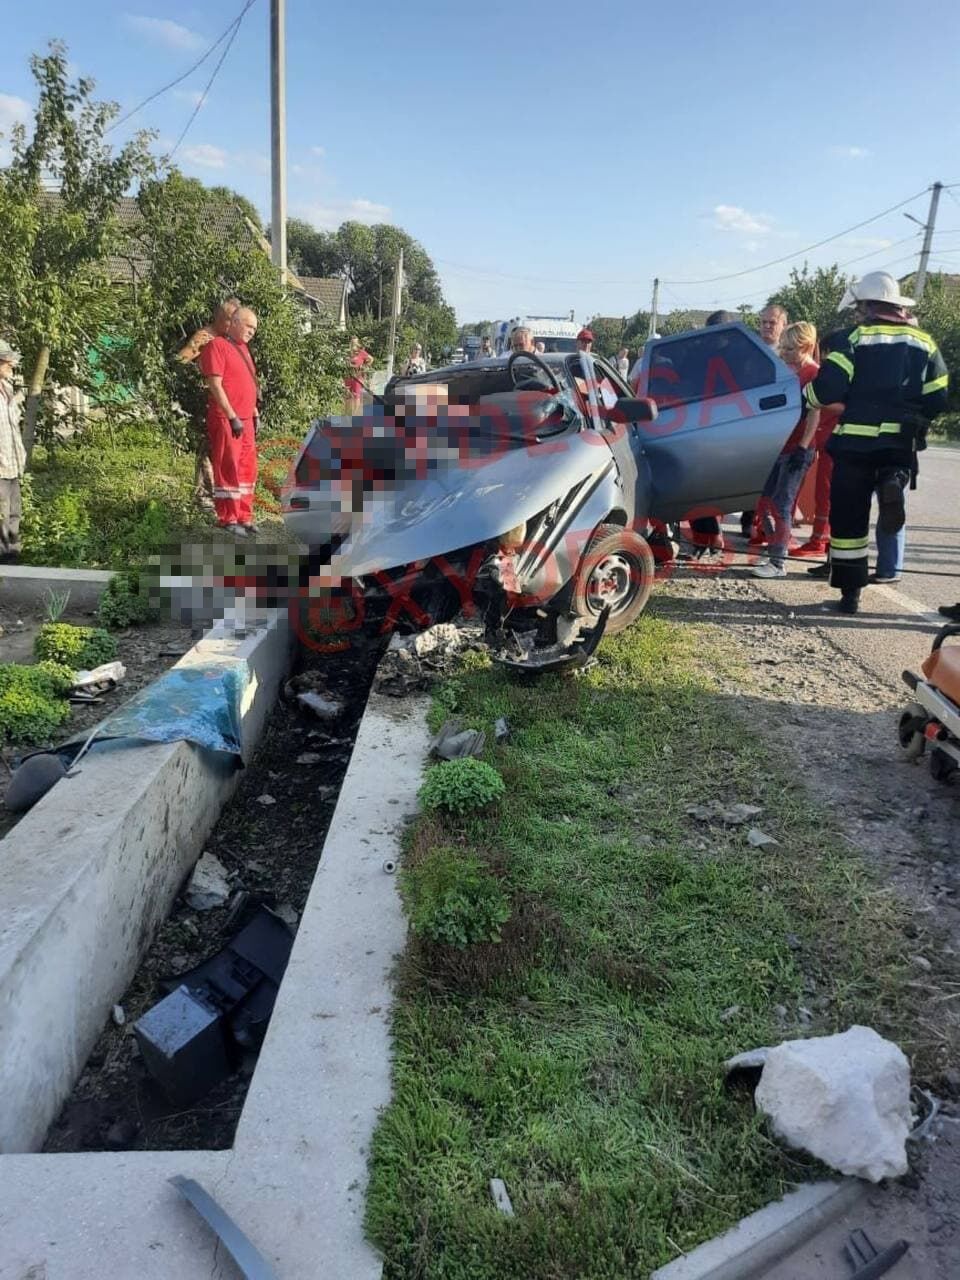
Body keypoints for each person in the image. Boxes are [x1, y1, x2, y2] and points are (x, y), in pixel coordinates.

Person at [804, 271, 948, 615]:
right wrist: (915, 416)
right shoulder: (924, 342)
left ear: (866, 305)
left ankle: (850, 595)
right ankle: (892, 479)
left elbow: (829, 389)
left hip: (855, 441)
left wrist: (806, 397)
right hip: (900, 441)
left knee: (849, 519)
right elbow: (938, 395)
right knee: (892, 467)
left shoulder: (850, 338)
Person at [752, 322, 820, 578]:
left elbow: (814, 413)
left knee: (782, 504)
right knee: (763, 500)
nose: (786, 352)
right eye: (784, 347)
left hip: (796, 449)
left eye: (791, 348)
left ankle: (778, 562)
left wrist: (803, 447)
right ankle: (773, 551)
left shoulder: (813, 373)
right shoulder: (786, 369)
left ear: (806, 346)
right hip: (777, 445)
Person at [199, 307, 261, 536]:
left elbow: (247, 382)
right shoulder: (217, 346)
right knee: (228, 468)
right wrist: (233, 416)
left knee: (247, 469)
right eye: (249, 326)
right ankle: (228, 518)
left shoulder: (243, 349)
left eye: (254, 328)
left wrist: (253, 411)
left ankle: (244, 516)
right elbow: (215, 385)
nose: (252, 332)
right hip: (228, 418)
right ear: (234, 322)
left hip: (246, 419)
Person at [178, 297, 241, 510]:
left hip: (230, 406)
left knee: (226, 453)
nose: (235, 324)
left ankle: (225, 497)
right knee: (208, 451)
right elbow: (181, 361)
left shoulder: (230, 339)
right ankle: (204, 498)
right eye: (232, 320)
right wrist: (193, 345)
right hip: (209, 405)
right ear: (221, 319)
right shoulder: (206, 336)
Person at [740, 305, 790, 536]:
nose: (767, 326)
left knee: (775, 479)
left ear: (783, 325)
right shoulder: (751, 350)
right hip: (752, 419)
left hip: (780, 423)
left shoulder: (789, 353)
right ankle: (749, 520)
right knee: (752, 472)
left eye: (773, 322)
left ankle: (766, 528)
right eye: (764, 322)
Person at [0, 340, 26, 563]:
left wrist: (16, 402)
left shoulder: (7, 388)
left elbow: (11, 425)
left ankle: (13, 560)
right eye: (7, 362)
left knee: (14, 513)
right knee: (1, 517)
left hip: (11, 465)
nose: (12, 366)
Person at [344, 336, 373, 414]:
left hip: (358, 377)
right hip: (348, 376)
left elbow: (371, 359)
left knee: (356, 396)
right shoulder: (347, 353)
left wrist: (364, 366)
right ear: (350, 343)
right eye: (352, 342)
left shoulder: (361, 352)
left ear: (357, 343)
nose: (353, 343)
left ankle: (355, 414)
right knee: (347, 395)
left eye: (355, 342)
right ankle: (347, 414)